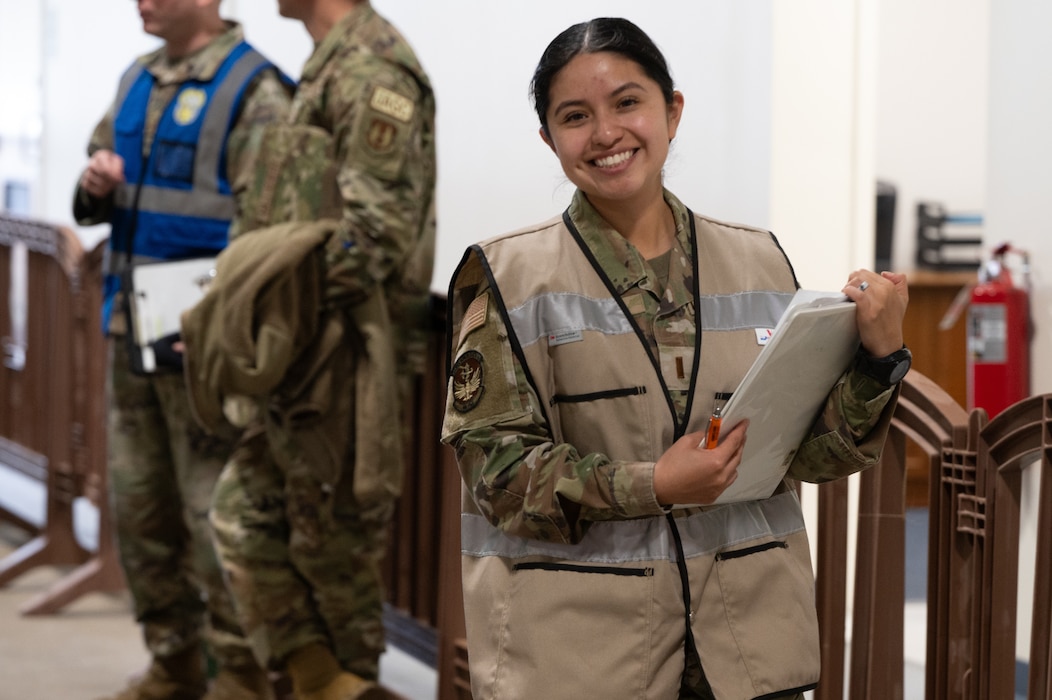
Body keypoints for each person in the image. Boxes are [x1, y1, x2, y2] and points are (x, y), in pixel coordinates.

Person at [441, 17, 911, 700]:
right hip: (582, 659)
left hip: (747, 650)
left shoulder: (758, 258)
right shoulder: (509, 276)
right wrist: (653, 483)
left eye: (627, 103)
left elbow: (804, 456)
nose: (606, 134)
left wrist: (878, 358)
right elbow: (498, 477)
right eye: (576, 116)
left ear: (672, 110)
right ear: (549, 138)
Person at [190, 1, 436, 698]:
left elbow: (370, 235)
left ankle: (343, 680)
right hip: (306, 355)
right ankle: (322, 681)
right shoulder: (331, 59)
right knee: (248, 521)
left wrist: (256, 300)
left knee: (335, 557)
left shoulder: (368, 66)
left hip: (346, 360)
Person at [72, 1, 294, 698]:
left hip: (206, 346)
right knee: (141, 510)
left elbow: (272, 229)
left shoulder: (256, 89)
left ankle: (238, 672)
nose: (141, 2)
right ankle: (172, 658)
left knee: (214, 519)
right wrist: (94, 186)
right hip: (127, 331)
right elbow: (94, 187)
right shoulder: (136, 78)